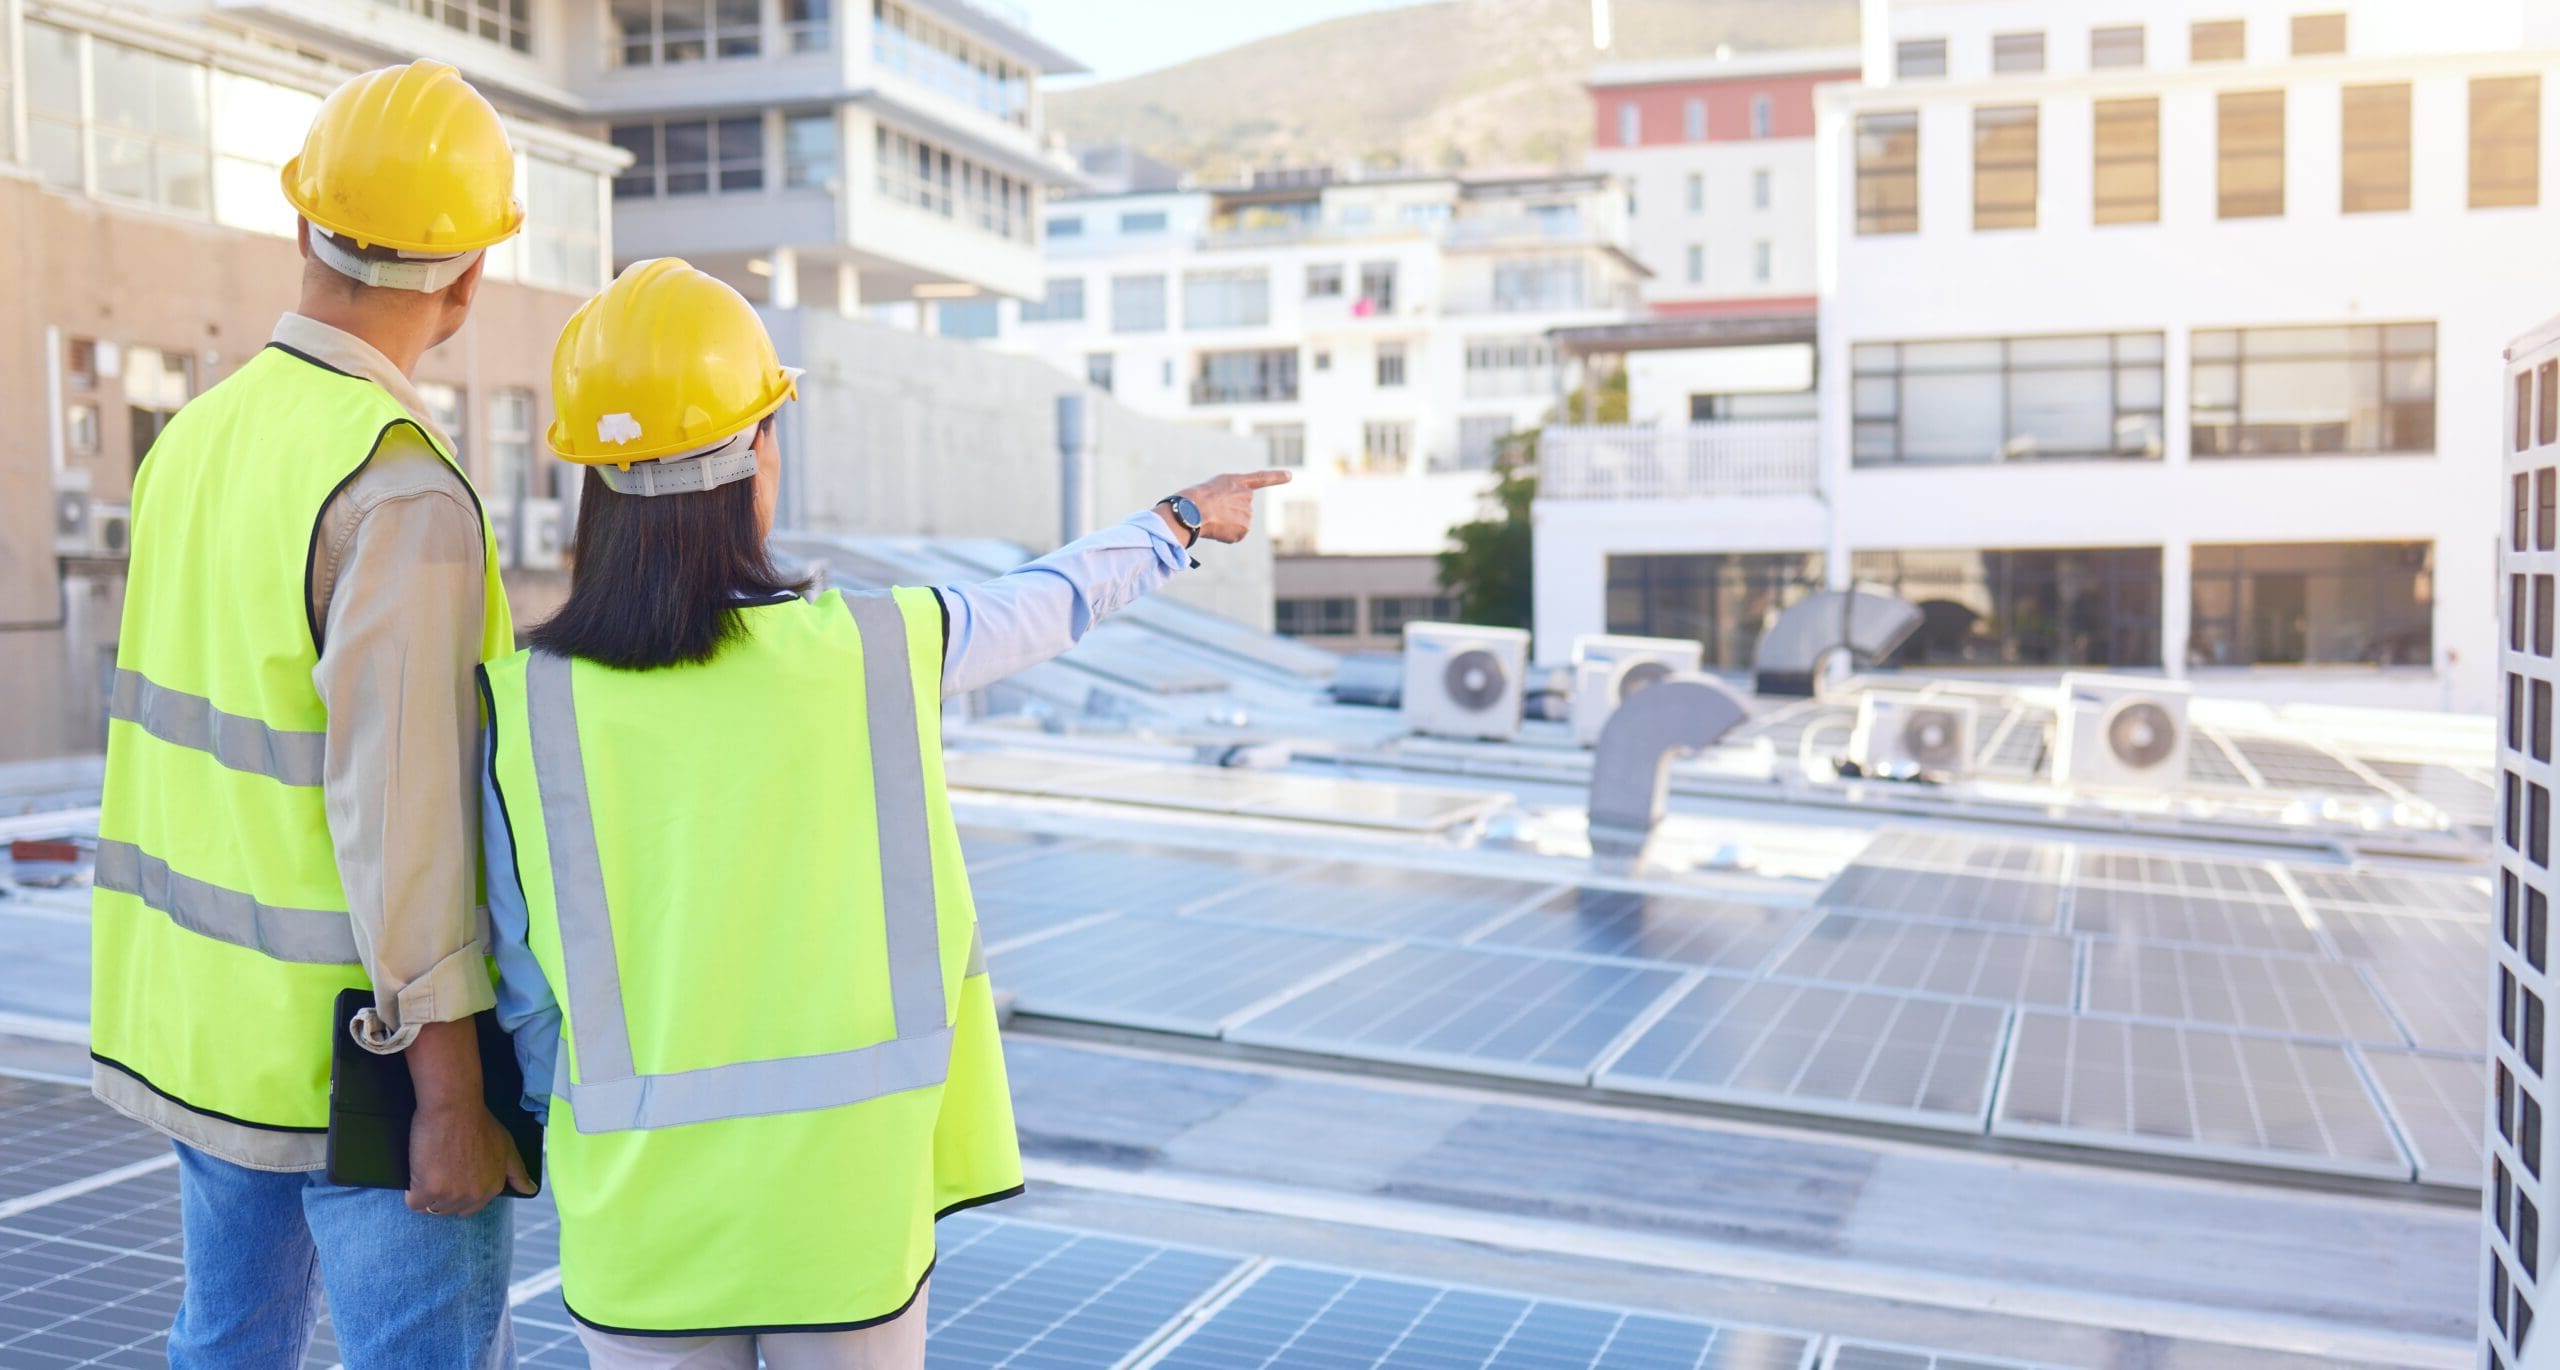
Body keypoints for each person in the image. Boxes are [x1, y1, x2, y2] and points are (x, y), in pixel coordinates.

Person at [479, 257, 1286, 1367]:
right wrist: (1178, 521)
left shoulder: (524, 701)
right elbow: (1038, 606)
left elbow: (518, 978)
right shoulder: (877, 646)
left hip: (638, 1209)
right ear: (753, 458)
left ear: (595, 485)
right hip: (845, 1203)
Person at [89, 60, 532, 1369]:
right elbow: (407, 823)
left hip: (202, 1029)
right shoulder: (399, 492)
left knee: (224, 1342)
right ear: (465, 281)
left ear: (302, 227)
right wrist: (451, 1093)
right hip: (367, 1067)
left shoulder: (195, 439)